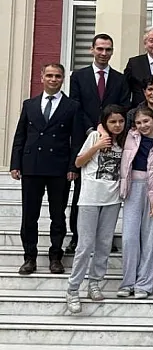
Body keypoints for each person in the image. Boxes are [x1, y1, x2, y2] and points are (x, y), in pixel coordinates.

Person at [12, 63, 85, 275]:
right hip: (32, 166)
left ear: (63, 79)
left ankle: (55, 256)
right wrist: (16, 163)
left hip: (59, 168)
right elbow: (20, 136)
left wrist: (73, 166)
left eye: (58, 76)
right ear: (42, 77)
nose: (54, 79)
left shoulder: (72, 106)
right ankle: (29, 257)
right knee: (29, 215)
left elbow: (76, 140)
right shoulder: (30, 104)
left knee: (58, 214)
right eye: (50, 75)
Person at [67, 34, 131, 254]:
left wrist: (112, 131)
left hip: (113, 141)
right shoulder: (79, 76)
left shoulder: (120, 79)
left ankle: (106, 236)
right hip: (87, 137)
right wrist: (93, 131)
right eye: (100, 49)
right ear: (91, 50)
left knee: (108, 186)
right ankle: (77, 237)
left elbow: (123, 107)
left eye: (108, 50)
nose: (104, 53)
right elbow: (76, 106)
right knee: (81, 192)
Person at [64, 105, 127, 314]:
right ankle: (73, 289)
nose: (117, 125)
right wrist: (97, 145)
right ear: (105, 123)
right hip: (90, 198)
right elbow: (79, 161)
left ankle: (94, 283)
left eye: (120, 121)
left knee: (104, 244)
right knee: (85, 245)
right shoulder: (94, 138)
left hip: (112, 199)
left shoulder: (124, 141)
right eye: (112, 122)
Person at [117, 107, 153, 299]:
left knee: (151, 238)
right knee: (129, 237)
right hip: (132, 189)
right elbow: (106, 125)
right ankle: (127, 282)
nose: (143, 126)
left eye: (146, 121)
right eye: (139, 123)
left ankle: (144, 284)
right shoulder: (129, 136)